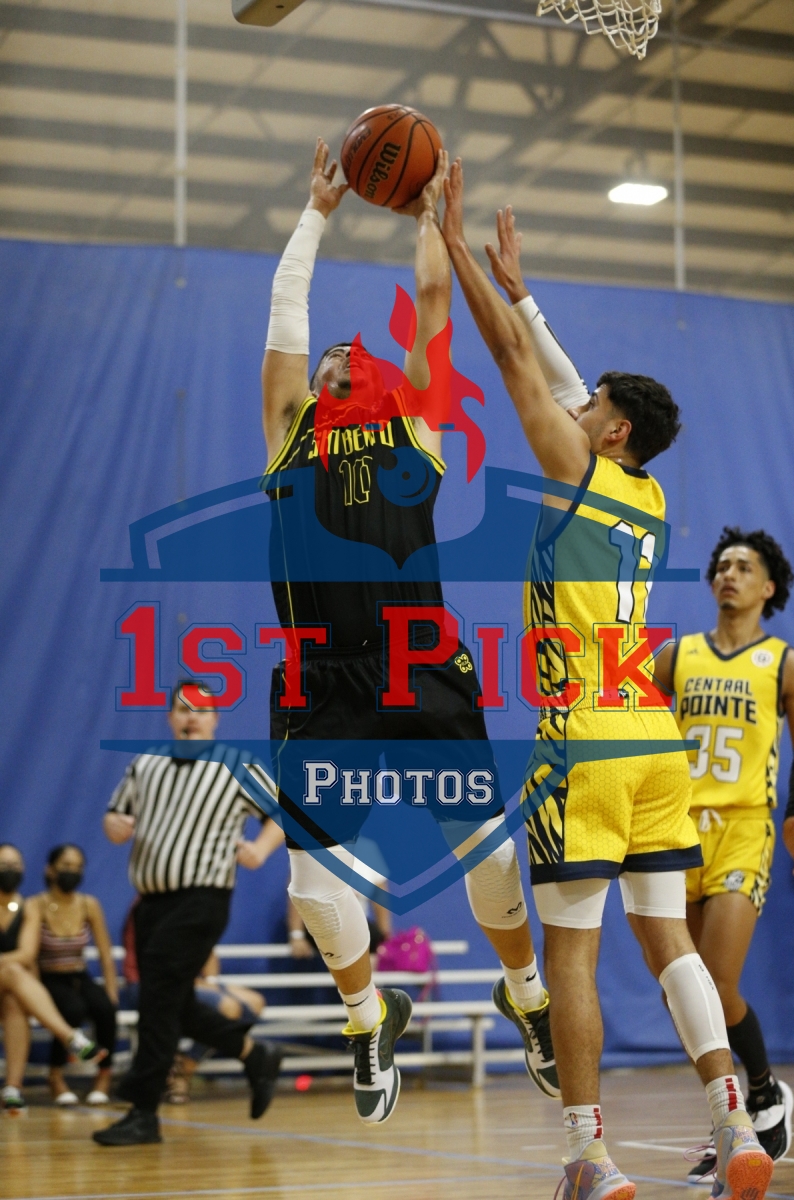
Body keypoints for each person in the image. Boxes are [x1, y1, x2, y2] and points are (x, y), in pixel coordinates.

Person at [441, 169, 773, 1200]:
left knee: (573, 956)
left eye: (589, 407)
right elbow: (566, 378)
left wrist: (451, 246)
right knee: (669, 943)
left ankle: (589, 1155)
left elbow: (513, 363)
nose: (573, 406)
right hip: (652, 742)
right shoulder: (647, 493)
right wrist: (525, 290)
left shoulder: (574, 466)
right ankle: (735, 1122)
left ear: (611, 429)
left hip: (581, 737)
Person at [261, 138, 558, 1125]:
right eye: (330, 357)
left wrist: (430, 215)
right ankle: (366, 1016)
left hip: (420, 665)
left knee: (489, 853)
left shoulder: (412, 428)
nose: (340, 355)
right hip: (319, 678)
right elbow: (285, 315)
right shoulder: (290, 428)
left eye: (356, 353)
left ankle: (526, 998)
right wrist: (316, 214)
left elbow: (432, 305)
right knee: (313, 886)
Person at [653, 527, 794, 1176]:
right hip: (678, 827)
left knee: (716, 978)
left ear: (768, 587)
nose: (729, 574)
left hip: (744, 826)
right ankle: (741, 1108)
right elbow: (634, 726)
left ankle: (753, 1098)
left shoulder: (784, 663)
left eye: (743, 566)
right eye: (722, 565)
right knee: (681, 992)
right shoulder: (676, 656)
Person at [93, 681, 285, 1146]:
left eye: (201, 710)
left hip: (202, 899)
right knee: (168, 1000)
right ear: (170, 717)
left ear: (215, 719)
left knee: (158, 998)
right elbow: (114, 819)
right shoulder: (146, 764)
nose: (191, 716)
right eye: (182, 709)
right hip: (150, 904)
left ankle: (143, 1109)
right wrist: (114, 825)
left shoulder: (236, 766)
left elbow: (283, 812)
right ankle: (253, 1053)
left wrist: (260, 849)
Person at [0, 843, 103, 1110]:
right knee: (12, 971)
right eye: (4, 865)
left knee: (14, 1001)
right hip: (11, 976)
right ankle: (69, 1036)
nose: (10, 870)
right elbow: (18, 960)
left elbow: (26, 954)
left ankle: (13, 1087)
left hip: (7, 988)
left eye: (15, 865)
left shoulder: (27, 907)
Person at [34, 843, 117, 1106]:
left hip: (79, 975)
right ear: (51, 869)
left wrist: (111, 991)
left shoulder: (88, 904)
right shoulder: (36, 905)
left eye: (78, 867)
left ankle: (104, 1075)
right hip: (49, 977)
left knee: (105, 1008)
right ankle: (55, 1075)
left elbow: (105, 953)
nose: (73, 872)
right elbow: (30, 954)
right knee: (72, 1010)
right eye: (66, 866)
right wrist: (35, 992)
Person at [167, 951, 267, 1104]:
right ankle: (182, 1073)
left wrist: (211, 982)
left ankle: (187, 1064)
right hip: (167, 982)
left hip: (192, 981)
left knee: (255, 1002)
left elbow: (207, 950)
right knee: (228, 1009)